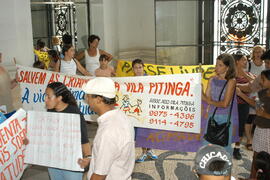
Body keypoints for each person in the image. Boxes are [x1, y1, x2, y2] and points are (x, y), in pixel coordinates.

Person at [82, 77, 135, 180]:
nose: (87, 100)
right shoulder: (121, 116)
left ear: (98, 99)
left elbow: (99, 176)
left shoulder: (108, 131)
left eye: (88, 97)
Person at [44, 82, 91, 180]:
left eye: (48, 97)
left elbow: (84, 139)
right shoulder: (50, 111)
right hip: (53, 161)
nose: (45, 100)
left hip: (71, 163)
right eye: (45, 96)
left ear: (59, 98)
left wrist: (88, 157)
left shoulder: (75, 114)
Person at [202, 53, 236, 154]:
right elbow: (206, 98)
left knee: (222, 148)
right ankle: (207, 169)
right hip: (211, 115)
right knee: (208, 146)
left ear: (228, 67)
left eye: (220, 65)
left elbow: (225, 104)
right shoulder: (212, 79)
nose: (216, 67)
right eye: (216, 64)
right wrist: (199, 90)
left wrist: (209, 101)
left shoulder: (231, 81)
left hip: (225, 118)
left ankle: (221, 169)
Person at [132, 59, 159, 163]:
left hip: (149, 109)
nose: (138, 70)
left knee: (150, 131)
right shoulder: (130, 81)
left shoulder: (149, 79)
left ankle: (150, 150)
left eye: (140, 67)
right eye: (136, 68)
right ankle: (143, 152)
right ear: (133, 69)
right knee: (140, 132)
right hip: (137, 111)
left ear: (143, 68)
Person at [233, 53, 255, 160]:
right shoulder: (229, 74)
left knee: (240, 128)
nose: (246, 62)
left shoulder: (249, 75)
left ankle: (237, 149)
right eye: (244, 60)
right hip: (230, 105)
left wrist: (244, 75)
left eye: (246, 60)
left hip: (243, 105)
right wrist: (243, 87)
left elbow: (254, 86)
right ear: (237, 61)